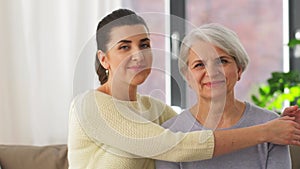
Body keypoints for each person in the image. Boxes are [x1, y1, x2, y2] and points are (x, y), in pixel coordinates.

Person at [67, 9, 300, 169]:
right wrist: (266, 132)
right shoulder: (89, 106)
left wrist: (279, 122)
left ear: (240, 69)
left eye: (144, 44)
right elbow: (176, 145)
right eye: (124, 47)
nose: (138, 54)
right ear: (104, 59)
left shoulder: (155, 110)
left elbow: (193, 126)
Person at [156, 23, 295, 169]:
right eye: (199, 65)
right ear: (187, 77)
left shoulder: (271, 124)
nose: (211, 72)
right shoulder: (171, 132)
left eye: (222, 61)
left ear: (239, 70)